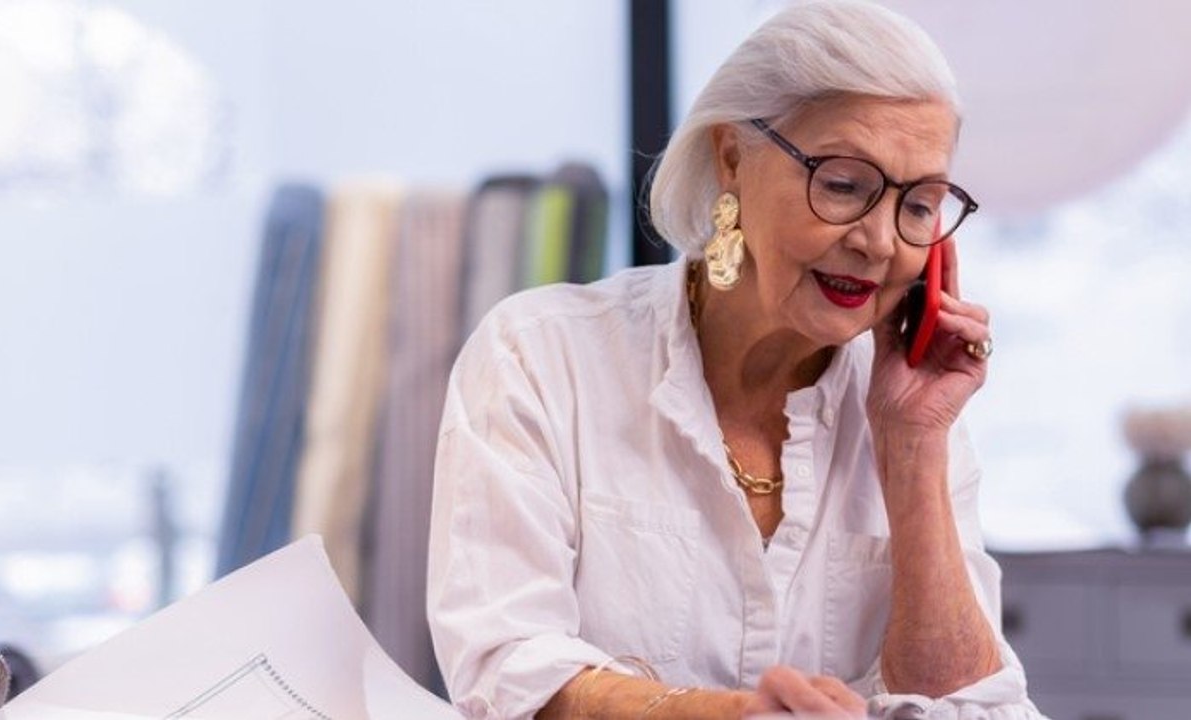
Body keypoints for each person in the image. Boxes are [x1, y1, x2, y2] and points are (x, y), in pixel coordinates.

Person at [426, 2, 1045, 718]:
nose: (879, 241)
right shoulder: (539, 355)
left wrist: (910, 447)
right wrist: (730, 715)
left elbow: (976, 709)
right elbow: (506, 667)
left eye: (918, 205)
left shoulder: (914, 422)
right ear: (730, 158)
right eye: (843, 184)